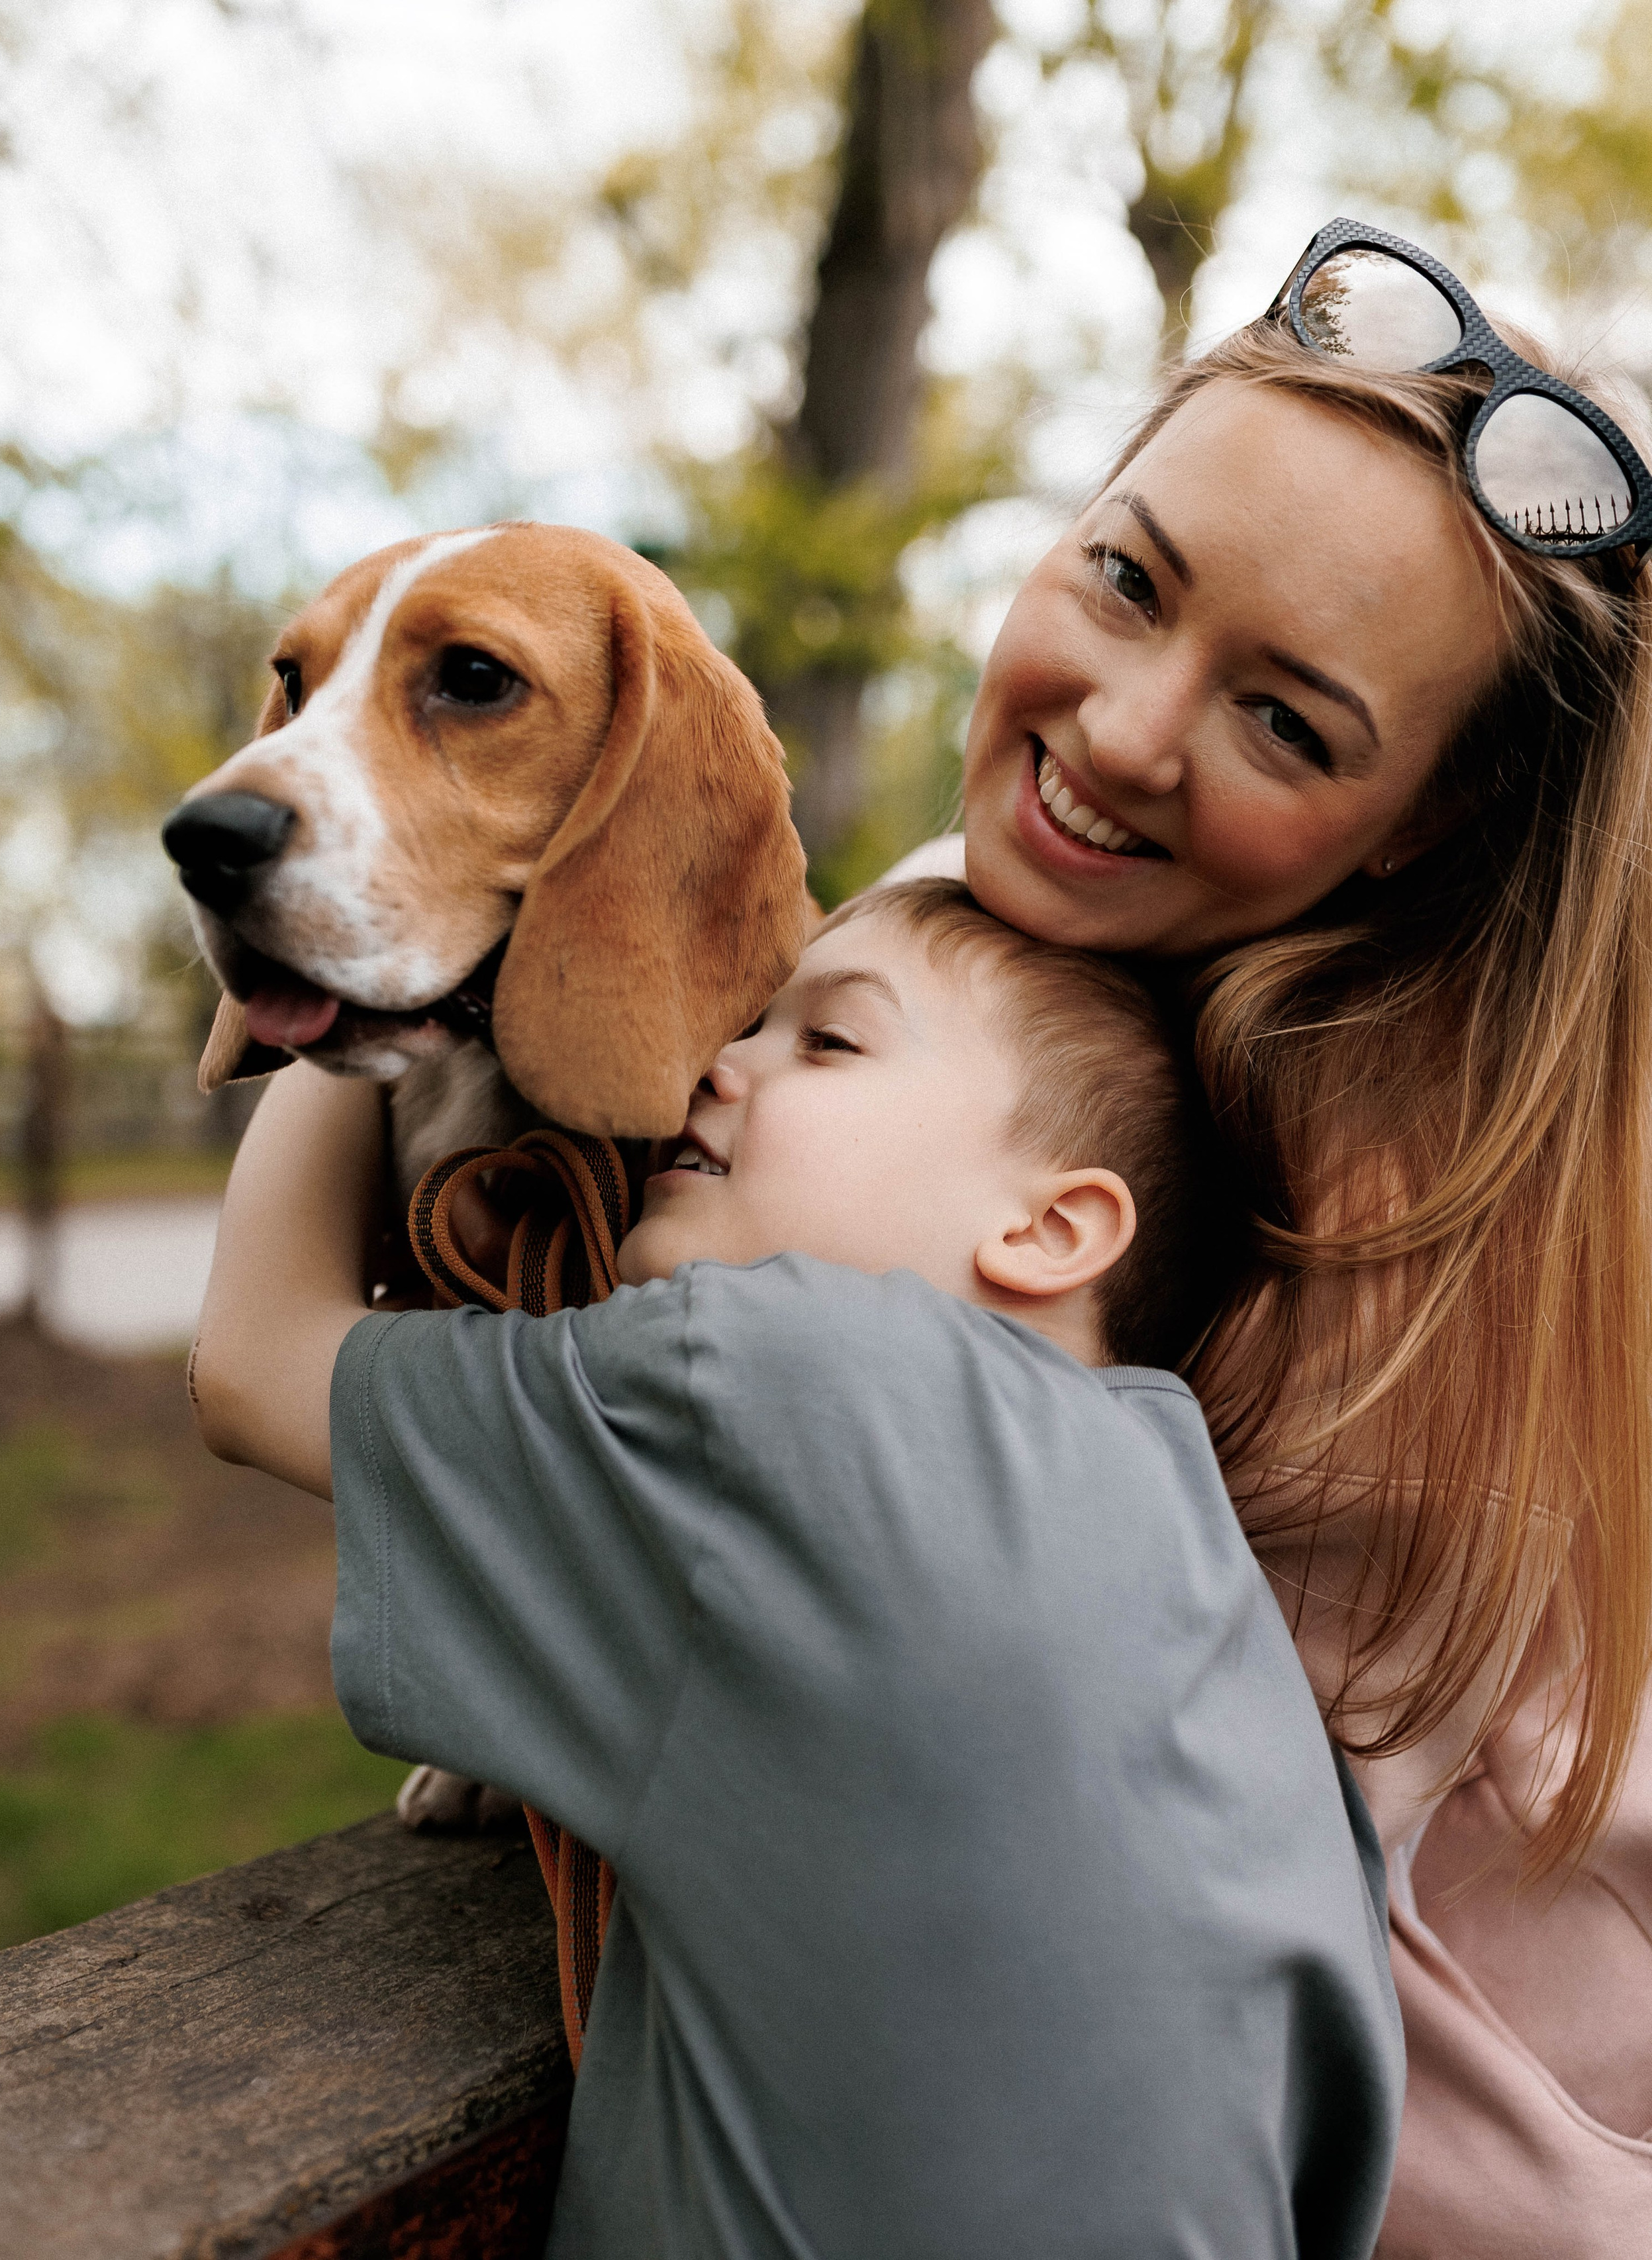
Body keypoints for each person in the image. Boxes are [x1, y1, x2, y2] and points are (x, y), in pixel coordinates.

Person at [190, 878, 1403, 2260]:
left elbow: (250, 1362)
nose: (708, 1061)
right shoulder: (1215, 1588)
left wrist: (350, 989)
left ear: (1051, 1229)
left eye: (826, 1043)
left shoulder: (785, 1380)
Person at [899, 221, 1652, 2253]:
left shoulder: (1315, 1213)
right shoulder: (1133, 1012)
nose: (1131, 730)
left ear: (1414, 826)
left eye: (1291, 724)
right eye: (1127, 576)